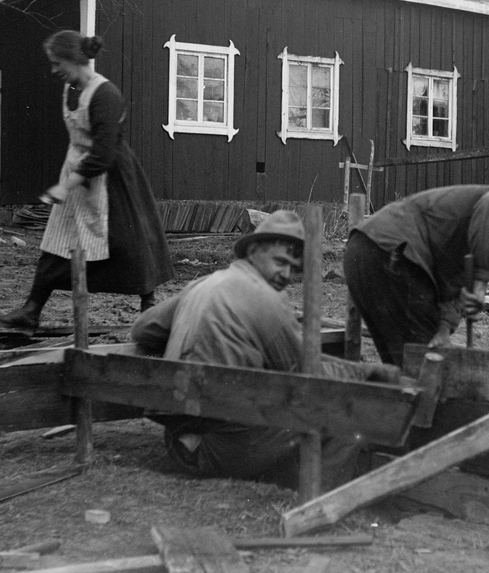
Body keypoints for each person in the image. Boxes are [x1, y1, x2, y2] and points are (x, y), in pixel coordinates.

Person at [132, 209, 399, 491]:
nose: (286, 275)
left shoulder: (202, 284)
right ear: (254, 250)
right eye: (280, 262)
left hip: (179, 439)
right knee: (348, 414)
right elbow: (304, 372)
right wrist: (367, 373)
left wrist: (193, 336)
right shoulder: (266, 299)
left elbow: (143, 329)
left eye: (293, 269)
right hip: (222, 447)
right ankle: (321, 503)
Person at [0, 29, 175, 334]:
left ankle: (150, 311)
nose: (54, 70)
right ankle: (31, 311)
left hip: (111, 179)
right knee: (58, 242)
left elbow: (103, 154)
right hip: (77, 176)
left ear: (74, 60)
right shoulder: (71, 89)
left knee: (129, 244)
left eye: (56, 63)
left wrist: (65, 186)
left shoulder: (106, 95)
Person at [344, 184, 489, 367]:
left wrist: (443, 331)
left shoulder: (481, 245)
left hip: (365, 250)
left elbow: (453, 291)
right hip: (394, 252)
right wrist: (481, 284)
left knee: (403, 367)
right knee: (424, 375)